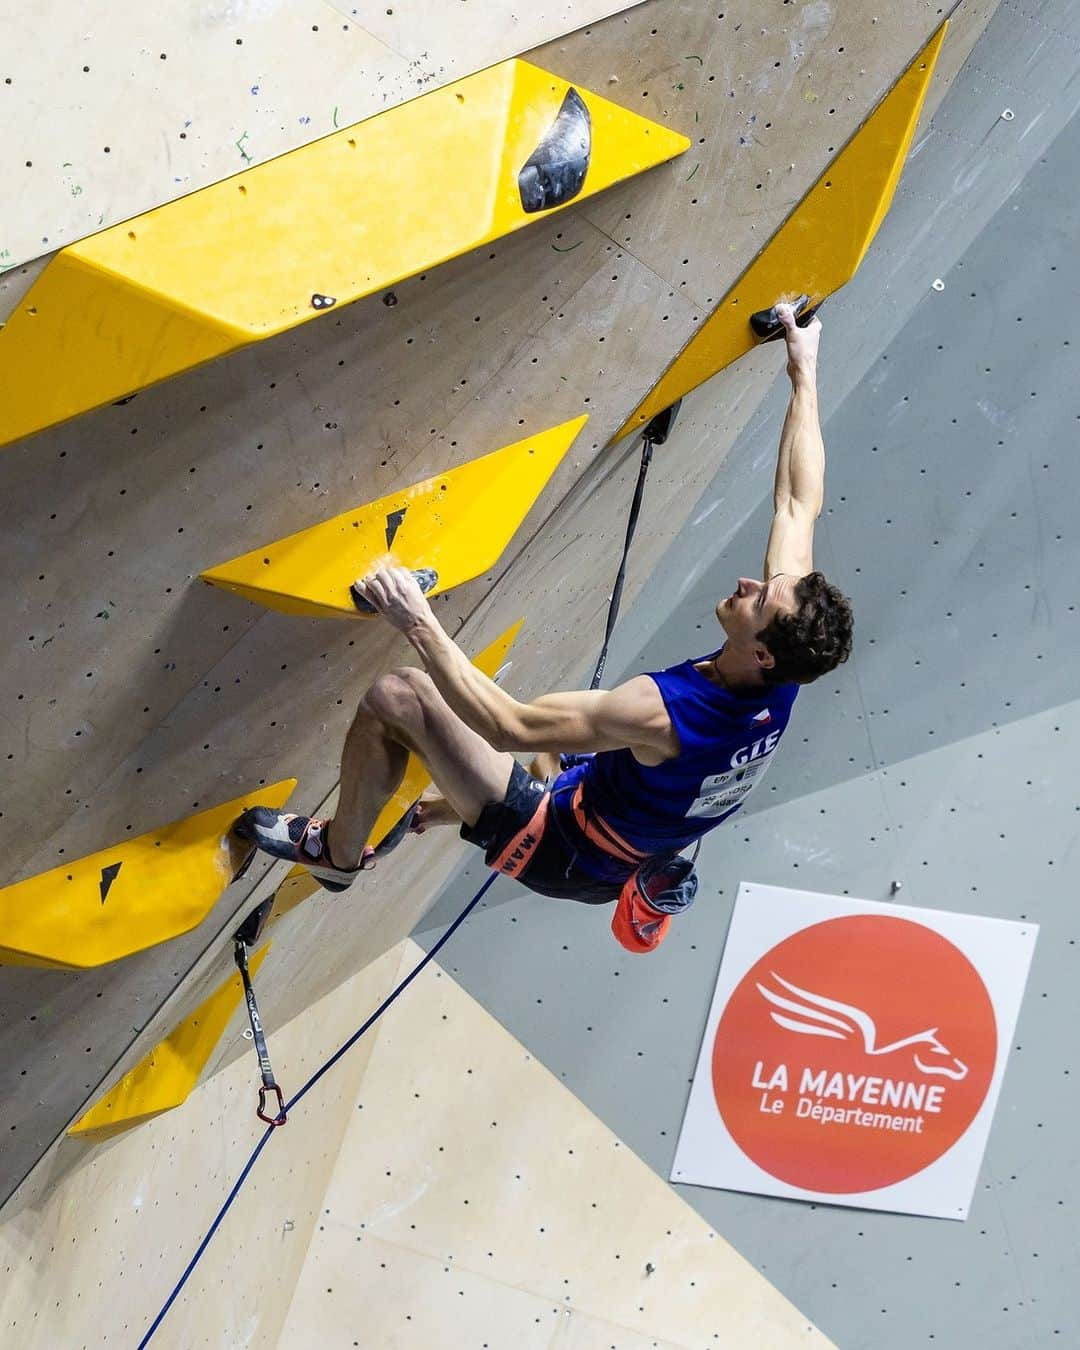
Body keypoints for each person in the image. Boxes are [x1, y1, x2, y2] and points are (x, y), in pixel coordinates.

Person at [237, 304, 853, 948]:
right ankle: (424, 814)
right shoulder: (789, 657)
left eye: (758, 602)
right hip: (620, 831)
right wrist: (804, 369)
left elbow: (511, 726)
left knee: (401, 697)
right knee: (568, 746)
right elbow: (796, 503)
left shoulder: (663, 713)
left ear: (762, 657)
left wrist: (415, 619)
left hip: (564, 847)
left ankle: (337, 856)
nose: (750, 585)